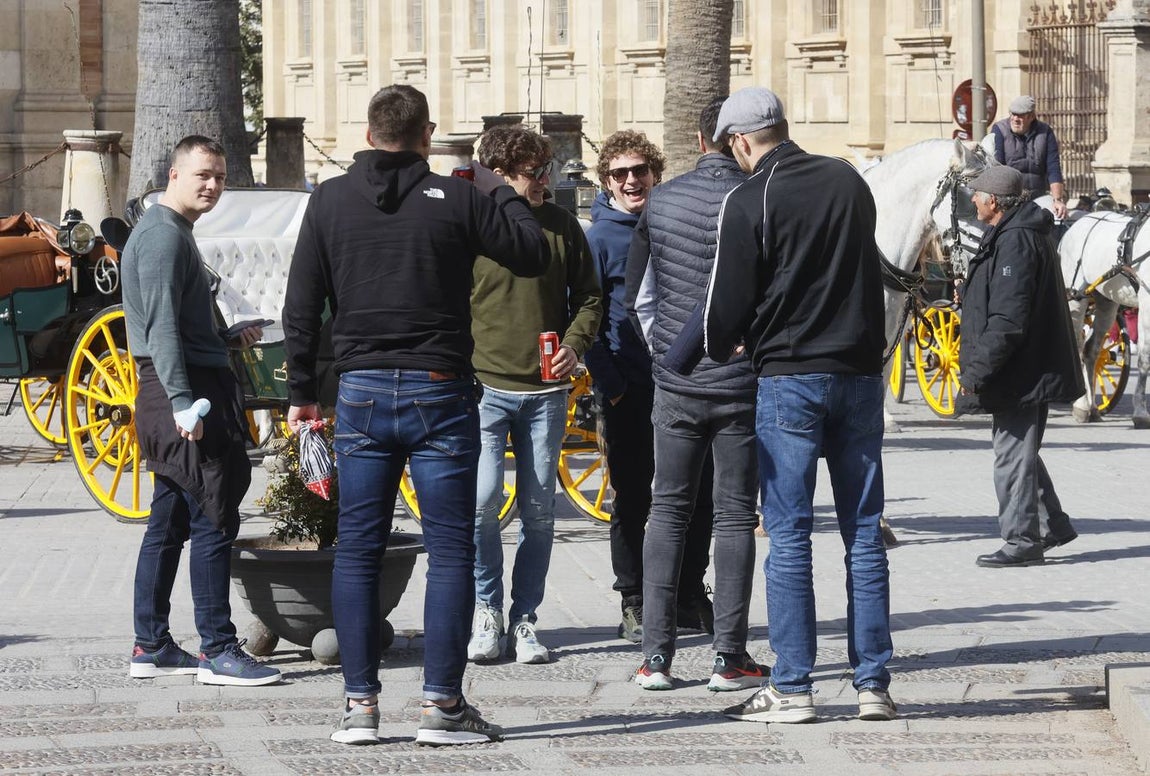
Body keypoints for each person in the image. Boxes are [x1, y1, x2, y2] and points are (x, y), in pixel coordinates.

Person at [283, 85, 551, 746]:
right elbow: (532, 252)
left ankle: (359, 707)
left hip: (362, 393)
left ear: (370, 133)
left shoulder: (329, 201)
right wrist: (498, 186)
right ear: (426, 134)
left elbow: (301, 304)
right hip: (440, 389)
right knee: (451, 547)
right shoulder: (458, 198)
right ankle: (441, 707)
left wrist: (300, 390)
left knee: (360, 548)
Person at [704, 87, 896, 724]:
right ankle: (873, 685)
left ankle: (794, 686)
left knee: (789, 536)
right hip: (860, 373)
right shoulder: (848, 181)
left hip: (790, 376)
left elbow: (725, 304)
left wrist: (720, 343)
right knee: (863, 532)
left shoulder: (750, 196)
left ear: (739, 141)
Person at [122, 135, 281, 688]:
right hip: (183, 393)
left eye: (219, 175)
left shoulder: (171, 233)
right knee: (215, 516)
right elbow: (160, 328)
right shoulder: (163, 238)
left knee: (169, 521)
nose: (212, 185)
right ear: (173, 175)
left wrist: (223, 334)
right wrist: (185, 402)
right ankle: (217, 650)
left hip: (179, 384)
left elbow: (175, 323)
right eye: (202, 175)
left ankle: (151, 644)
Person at [623, 98, 763, 692]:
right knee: (734, 516)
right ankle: (729, 656)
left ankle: (656, 657)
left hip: (677, 385)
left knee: (667, 510)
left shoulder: (663, 201)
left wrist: (666, 358)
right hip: (742, 386)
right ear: (736, 139)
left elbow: (639, 299)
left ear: (699, 138)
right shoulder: (760, 198)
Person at [465, 125, 602, 665]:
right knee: (480, 507)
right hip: (482, 387)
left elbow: (590, 297)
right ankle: (486, 610)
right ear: (499, 175)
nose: (544, 181)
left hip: (546, 390)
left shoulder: (562, 225)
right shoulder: (472, 225)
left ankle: (524, 619)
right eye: (532, 174)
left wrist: (574, 344)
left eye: (546, 170)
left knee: (540, 512)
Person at [584, 130, 715, 644]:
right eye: (620, 174)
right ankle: (634, 599)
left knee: (696, 493)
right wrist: (611, 384)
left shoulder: (674, 222)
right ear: (607, 182)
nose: (631, 180)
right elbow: (586, 315)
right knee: (634, 498)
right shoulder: (599, 238)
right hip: (629, 388)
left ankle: (687, 592)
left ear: (655, 173)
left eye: (639, 170)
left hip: (684, 383)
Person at [956, 165, 1083, 568]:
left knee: (1010, 455)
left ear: (994, 201)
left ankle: (1022, 542)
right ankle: (1052, 526)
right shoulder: (1014, 232)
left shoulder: (1017, 241)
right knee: (1020, 450)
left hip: (1021, 371)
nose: (973, 199)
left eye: (977, 194)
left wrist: (975, 374)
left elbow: (1009, 320)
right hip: (1022, 367)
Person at [991, 95, 1068, 220]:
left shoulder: (1046, 132)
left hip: (1039, 197)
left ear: (1031, 116)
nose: (1015, 119)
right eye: (1013, 114)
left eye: (1020, 115)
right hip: (1009, 199)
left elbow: (1053, 168)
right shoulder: (999, 130)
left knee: (1058, 218)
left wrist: (1058, 200)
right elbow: (997, 168)